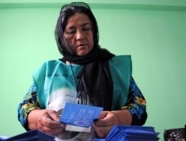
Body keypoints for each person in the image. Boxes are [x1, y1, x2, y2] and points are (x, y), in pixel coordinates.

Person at [18, 2, 147, 141]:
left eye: (86, 29)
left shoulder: (115, 67)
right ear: (62, 36)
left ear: (94, 31)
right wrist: (40, 120)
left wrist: (117, 119)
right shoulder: (49, 71)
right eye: (71, 31)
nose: (80, 36)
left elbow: (139, 105)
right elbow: (24, 108)